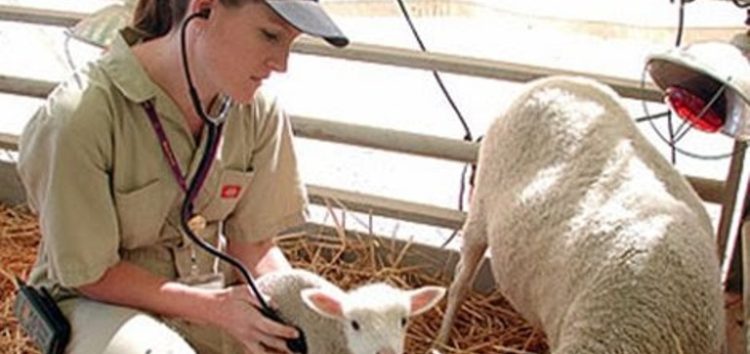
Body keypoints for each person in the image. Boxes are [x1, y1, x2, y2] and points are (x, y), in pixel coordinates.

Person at [16, 0, 348, 353]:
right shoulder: (78, 118)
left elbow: (253, 247)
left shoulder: (259, 113)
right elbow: (90, 275)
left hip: (212, 301)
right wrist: (214, 308)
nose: (281, 64)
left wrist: (305, 309)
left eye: (291, 44)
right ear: (204, 9)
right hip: (98, 304)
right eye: (270, 35)